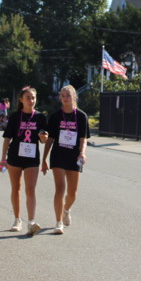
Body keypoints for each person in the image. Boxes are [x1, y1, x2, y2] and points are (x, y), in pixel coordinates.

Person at [41, 85, 90, 234]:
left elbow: (83, 138)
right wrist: (44, 159)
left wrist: (82, 153)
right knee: (60, 188)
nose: (65, 98)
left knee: (72, 193)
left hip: (74, 156)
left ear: (74, 97)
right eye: (62, 96)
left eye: (68, 95)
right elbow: (50, 140)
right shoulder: (56, 117)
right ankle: (58, 222)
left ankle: (66, 210)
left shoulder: (81, 116)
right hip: (58, 155)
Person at [0, 86, 49, 236]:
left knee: (30, 189)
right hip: (15, 157)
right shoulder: (15, 116)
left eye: (33, 98)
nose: (31, 101)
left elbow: (44, 139)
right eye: (28, 98)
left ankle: (31, 222)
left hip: (32, 158)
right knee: (16, 188)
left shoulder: (40, 117)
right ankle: (17, 220)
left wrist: (43, 137)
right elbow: (7, 139)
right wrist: (3, 159)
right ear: (21, 100)